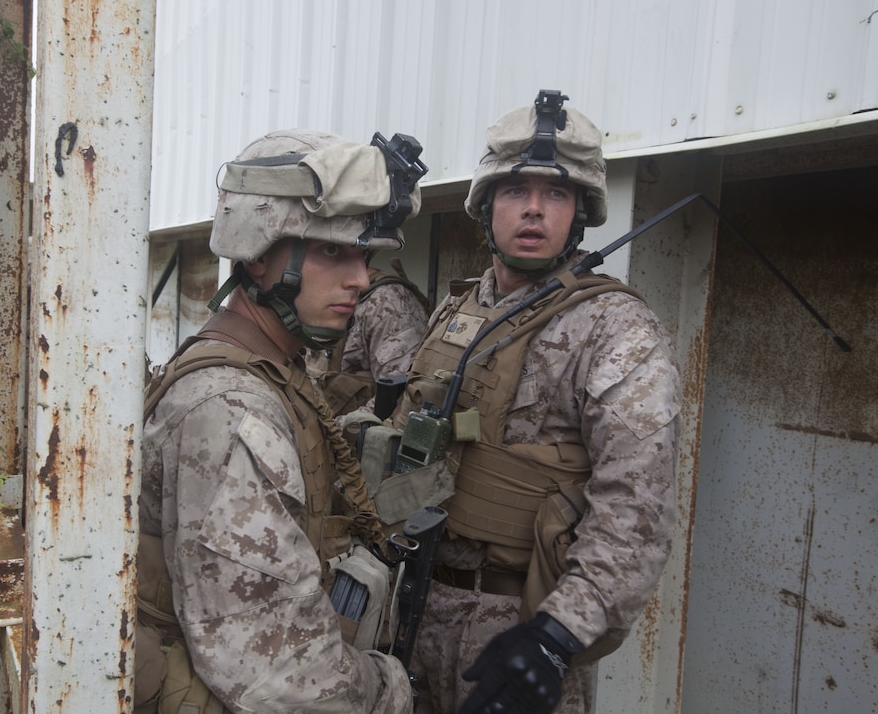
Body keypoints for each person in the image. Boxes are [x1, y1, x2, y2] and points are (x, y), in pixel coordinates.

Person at [392, 90, 680, 714]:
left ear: (579, 214)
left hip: (516, 625)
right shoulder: (456, 310)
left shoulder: (616, 329)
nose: (533, 211)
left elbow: (636, 506)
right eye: (515, 191)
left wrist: (556, 636)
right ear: (486, 205)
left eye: (556, 195)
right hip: (413, 607)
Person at [136, 129, 428, 713]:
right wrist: (390, 689)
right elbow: (279, 674)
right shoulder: (229, 411)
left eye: (364, 257)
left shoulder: (272, 369)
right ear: (259, 251)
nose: (362, 280)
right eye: (332, 252)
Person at [307, 260, 430, 419]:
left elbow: (402, 393)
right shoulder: (313, 292)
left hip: (352, 436)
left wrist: (340, 430)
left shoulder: (386, 302)